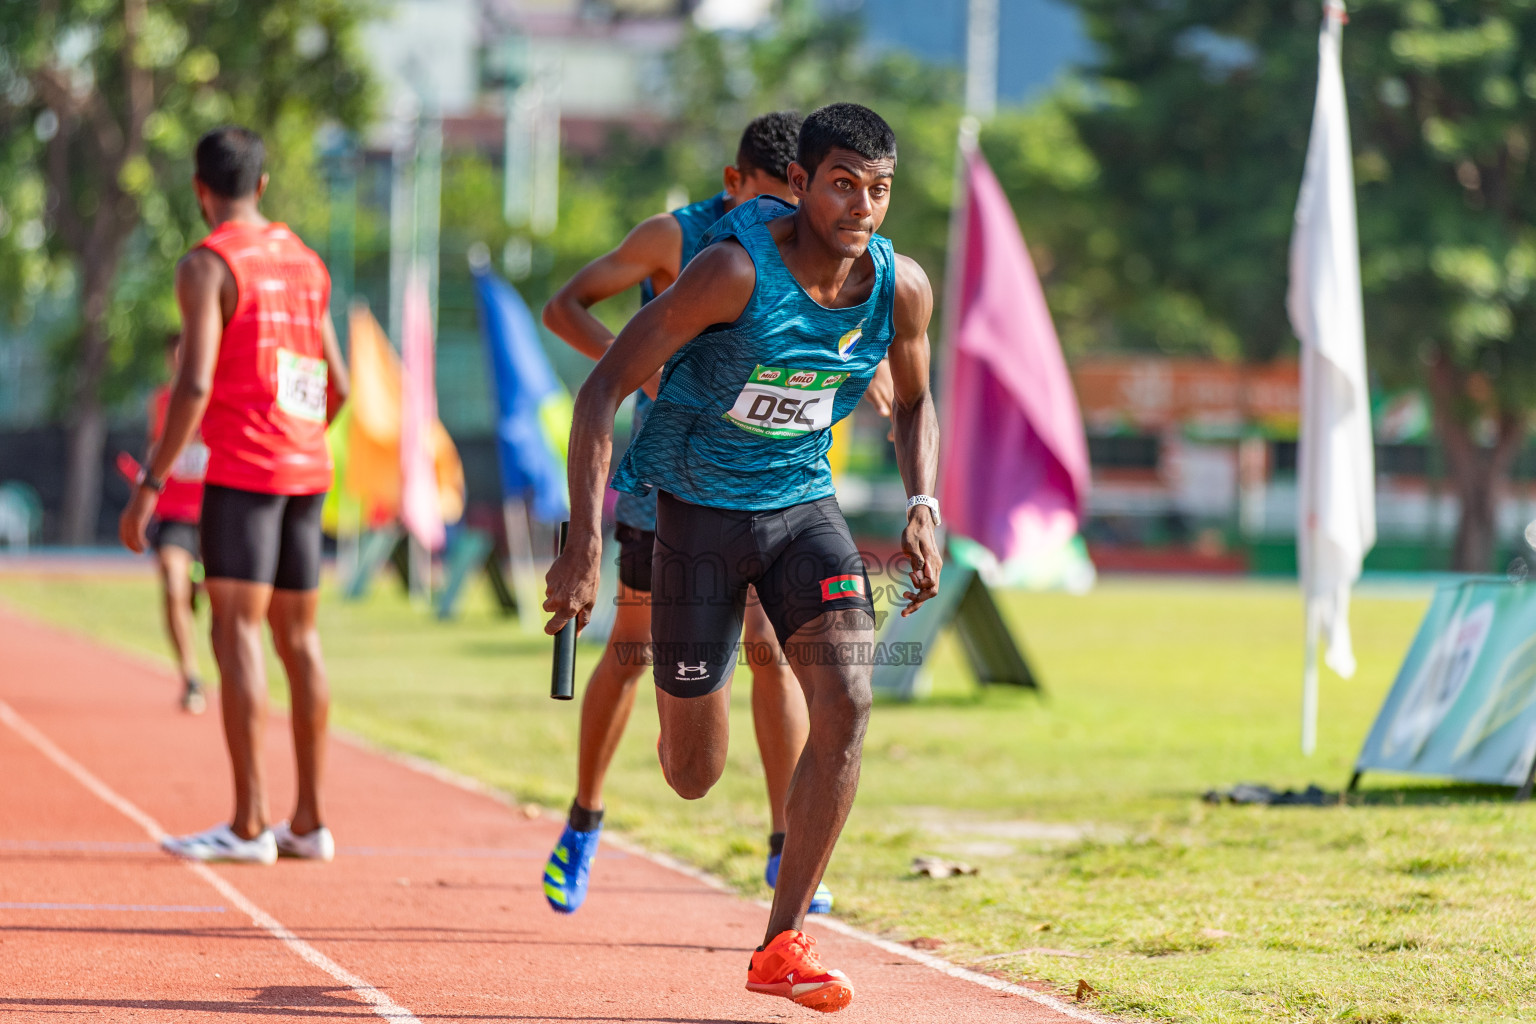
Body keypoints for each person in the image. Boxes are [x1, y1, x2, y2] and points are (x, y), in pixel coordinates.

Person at [545, 103, 940, 1013]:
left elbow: (916, 402)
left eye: (879, 189)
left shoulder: (899, 286)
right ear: (800, 185)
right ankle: (682, 703)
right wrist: (583, 547)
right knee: (693, 773)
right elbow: (600, 394)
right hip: (696, 519)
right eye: (843, 184)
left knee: (847, 695)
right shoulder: (728, 271)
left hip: (802, 509)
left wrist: (922, 503)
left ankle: (782, 941)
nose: (863, 207)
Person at [120, 125, 349, 867]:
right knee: (301, 640)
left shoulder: (207, 264)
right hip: (307, 470)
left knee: (238, 634)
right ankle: (309, 823)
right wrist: (301, 436)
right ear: (265, 183)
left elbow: (193, 382)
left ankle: (250, 824)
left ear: (199, 190)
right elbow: (337, 383)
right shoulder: (308, 263)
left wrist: (149, 487)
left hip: (245, 472)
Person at [144, 331, 210, 714]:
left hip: (216, 510)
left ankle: (197, 588)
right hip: (174, 514)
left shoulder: (218, 397)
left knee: (214, 596)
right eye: (177, 357)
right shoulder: (161, 401)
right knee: (172, 585)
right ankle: (191, 676)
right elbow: (153, 447)